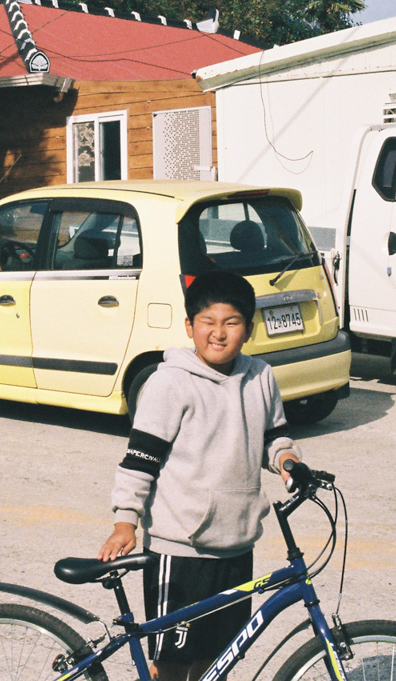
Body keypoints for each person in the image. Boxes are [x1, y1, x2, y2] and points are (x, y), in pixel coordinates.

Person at [98, 270, 300, 681]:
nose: (219, 333)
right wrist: (125, 522)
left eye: (231, 322)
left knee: (220, 657)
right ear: (190, 326)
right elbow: (140, 460)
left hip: (236, 545)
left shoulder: (260, 377)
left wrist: (287, 463)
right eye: (208, 322)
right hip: (181, 548)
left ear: (249, 328)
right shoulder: (168, 384)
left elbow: (274, 438)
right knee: (172, 664)